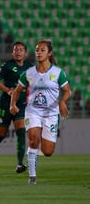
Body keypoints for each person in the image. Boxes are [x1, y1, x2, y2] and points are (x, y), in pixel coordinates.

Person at [10, 40, 70, 184]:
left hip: (51, 113)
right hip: (33, 111)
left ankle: (36, 154)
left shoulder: (57, 73)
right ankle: (32, 177)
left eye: (42, 50)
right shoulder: (29, 73)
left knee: (48, 151)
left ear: (49, 53)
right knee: (33, 140)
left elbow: (67, 91)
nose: (38, 53)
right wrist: (12, 104)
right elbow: (17, 91)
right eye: (37, 50)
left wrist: (62, 101)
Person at [0, 41, 34, 173]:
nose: (18, 52)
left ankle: (19, 163)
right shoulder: (7, 65)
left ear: (25, 53)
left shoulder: (30, 66)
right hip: (6, 103)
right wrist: (8, 90)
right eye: (15, 50)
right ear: (12, 52)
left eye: (20, 50)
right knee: (2, 133)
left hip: (21, 102)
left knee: (21, 130)